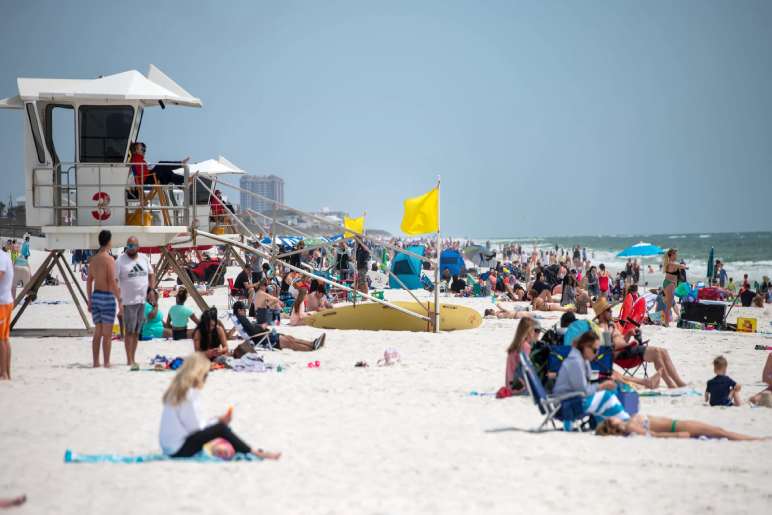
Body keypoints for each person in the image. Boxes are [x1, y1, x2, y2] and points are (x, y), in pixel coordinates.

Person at [159, 352, 281, 459]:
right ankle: (255, 453)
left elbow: (193, 427)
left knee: (219, 430)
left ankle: (243, 449)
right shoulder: (188, 394)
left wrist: (216, 421)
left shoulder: (177, 391)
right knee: (221, 429)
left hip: (170, 447)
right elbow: (196, 429)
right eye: (205, 375)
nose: (206, 379)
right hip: (178, 450)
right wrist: (218, 422)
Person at [594, 297, 686, 388]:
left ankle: (678, 381)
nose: (611, 311)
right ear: (602, 314)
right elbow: (607, 349)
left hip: (628, 350)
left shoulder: (612, 324)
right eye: (608, 310)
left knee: (663, 351)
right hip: (623, 356)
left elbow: (620, 340)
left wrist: (629, 334)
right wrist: (610, 332)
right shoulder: (602, 328)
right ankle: (670, 383)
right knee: (657, 352)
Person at [553, 331, 630, 421]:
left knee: (613, 391)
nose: (597, 353)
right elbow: (583, 390)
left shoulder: (581, 359)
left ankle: (614, 422)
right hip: (566, 406)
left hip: (572, 401)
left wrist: (606, 380)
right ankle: (626, 421)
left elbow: (586, 381)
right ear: (585, 347)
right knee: (606, 396)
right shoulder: (575, 362)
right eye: (595, 350)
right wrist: (602, 386)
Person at [116, 236, 154, 368]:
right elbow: (115, 280)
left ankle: (133, 357)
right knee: (129, 331)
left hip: (141, 300)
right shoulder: (120, 260)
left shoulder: (143, 258)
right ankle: (129, 359)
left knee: (137, 331)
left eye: (132, 246)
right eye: (128, 246)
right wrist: (119, 300)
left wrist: (151, 289)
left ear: (138, 246)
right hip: (128, 301)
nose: (130, 248)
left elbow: (151, 273)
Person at [86, 230, 120, 368]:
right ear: (109, 241)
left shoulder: (93, 260)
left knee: (98, 332)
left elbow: (89, 281)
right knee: (107, 334)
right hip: (107, 297)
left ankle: (95, 362)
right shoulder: (109, 259)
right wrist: (119, 299)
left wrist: (89, 299)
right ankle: (106, 362)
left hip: (96, 296)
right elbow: (112, 282)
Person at [232, 301, 324, 351]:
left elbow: (251, 330)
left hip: (265, 335)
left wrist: (259, 326)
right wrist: (261, 327)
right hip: (265, 338)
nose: (245, 311)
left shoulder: (241, 319)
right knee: (290, 343)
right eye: (244, 309)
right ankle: (311, 348)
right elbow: (252, 332)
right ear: (239, 310)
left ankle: (312, 343)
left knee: (290, 338)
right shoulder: (242, 318)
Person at [595, 414, 764, 441]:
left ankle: (755, 439)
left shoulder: (629, 423)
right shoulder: (631, 426)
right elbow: (652, 434)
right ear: (612, 424)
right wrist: (677, 436)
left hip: (678, 424)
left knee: (719, 431)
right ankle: (756, 440)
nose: (611, 416)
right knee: (720, 432)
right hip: (678, 426)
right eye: (609, 419)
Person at [502, 318, 539, 395]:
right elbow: (527, 369)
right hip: (520, 388)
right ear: (528, 332)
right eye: (534, 330)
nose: (535, 333)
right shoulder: (525, 346)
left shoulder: (514, 346)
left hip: (510, 386)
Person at [661, 249, 686, 327]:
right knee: (669, 304)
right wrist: (684, 266)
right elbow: (683, 266)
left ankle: (665, 322)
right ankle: (666, 323)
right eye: (675, 254)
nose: (676, 255)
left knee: (668, 303)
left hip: (668, 283)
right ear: (671, 255)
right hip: (670, 284)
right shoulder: (672, 263)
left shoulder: (670, 263)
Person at [0, 244, 14, 380]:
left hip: (2, 303)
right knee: (4, 338)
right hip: (5, 301)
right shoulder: (3, 256)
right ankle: (6, 373)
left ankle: (3, 373)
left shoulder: (1, 257)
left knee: (1, 339)